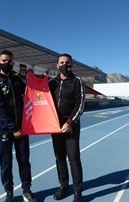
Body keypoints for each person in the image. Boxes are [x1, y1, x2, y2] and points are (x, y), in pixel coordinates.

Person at [0, 50, 38, 202]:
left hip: (22, 128)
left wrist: (39, 82)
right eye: (4, 60)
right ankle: (9, 192)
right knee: (6, 162)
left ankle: (26, 190)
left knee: (24, 160)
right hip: (6, 129)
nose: (7, 63)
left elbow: (29, 92)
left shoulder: (16, 78)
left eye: (10, 61)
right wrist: (13, 128)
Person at [48, 53, 85, 202]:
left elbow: (80, 104)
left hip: (71, 127)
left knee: (74, 159)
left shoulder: (77, 81)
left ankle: (78, 192)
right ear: (57, 65)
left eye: (67, 62)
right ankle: (63, 186)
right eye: (62, 62)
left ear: (72, 64)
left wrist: (70, 122)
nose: (65, 65)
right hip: (55, 126)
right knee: (59, 158)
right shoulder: (51, 82)